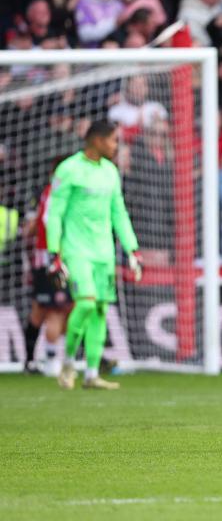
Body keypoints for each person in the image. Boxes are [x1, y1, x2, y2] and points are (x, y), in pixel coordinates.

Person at [46, 121, 143, 390]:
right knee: (86, 304)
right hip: (77, 250)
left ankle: (91, 373)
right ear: (98, 140)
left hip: (104, 253)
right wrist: (55, 252)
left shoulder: (110, 172)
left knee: (100, 309)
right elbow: (55, 213)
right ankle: (67, 362)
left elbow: (118, 213)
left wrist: (132, 248)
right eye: (113, 140)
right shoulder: (69, 169)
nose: (116, 146)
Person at [23, 155, 74, 375]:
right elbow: (50, 225)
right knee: (57, 310)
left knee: (40, 311)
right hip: (55, 257)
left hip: (42, 257)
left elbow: (33, 227)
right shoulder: (61, 194)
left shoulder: (46, 192)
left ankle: (29, 362)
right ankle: (52, 361)